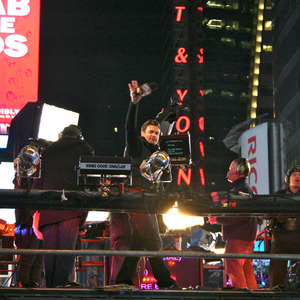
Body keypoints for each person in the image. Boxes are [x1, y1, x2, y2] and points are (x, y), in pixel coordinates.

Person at [115, 80, 179, 289]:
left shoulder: (156, 152)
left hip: (148, 201)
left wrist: (168, 114)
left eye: (157, 132)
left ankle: (123, 278)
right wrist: (134, 103)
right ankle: (165, 281)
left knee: (139, 243)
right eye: (150, 132)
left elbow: (162, 122)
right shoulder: (135, 147)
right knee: (154, 242)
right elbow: (128, 127)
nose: (153, 134)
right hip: (137, 198)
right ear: (143, 134)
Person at [32, 124, 94, 288]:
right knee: (66, 249)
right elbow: (87, 181)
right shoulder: (84, 148)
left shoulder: (48, 150)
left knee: (50, 250)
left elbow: (38, 179)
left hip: (48, 206)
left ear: (62, 135)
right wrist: (84, 215)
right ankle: (63, 285)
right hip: (71, 207)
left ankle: (50, 287)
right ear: (78, 136)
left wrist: (35, 208)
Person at [207, 158, 258, 290]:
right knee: (247, 271)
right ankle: (254, 295)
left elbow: (237, 216)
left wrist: (218, 219)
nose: (228, 171)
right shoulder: (245, 189)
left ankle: (242, 296)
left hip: (238, 238)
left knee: (233, 269)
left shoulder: (238, 192)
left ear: (240, 171)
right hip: (248, 237)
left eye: (231, 168)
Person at [268, 165, 300, 289]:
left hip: (298, 238)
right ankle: (274, 294)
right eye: (294, 175)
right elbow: (267, 212)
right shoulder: (279, 195)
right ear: (288, 178)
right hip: (280, 238)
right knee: (276, 273)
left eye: (299, 175)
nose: (297, 177)